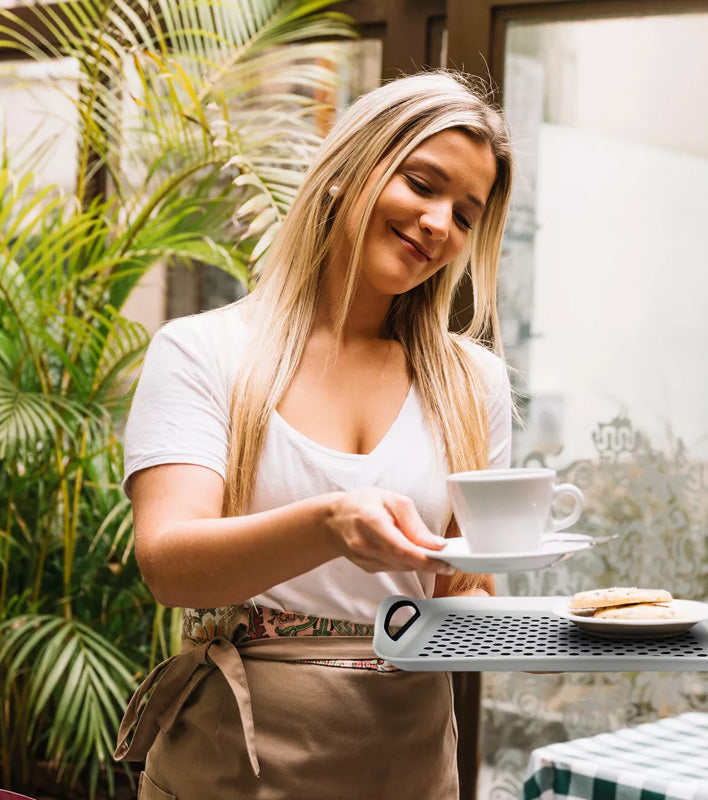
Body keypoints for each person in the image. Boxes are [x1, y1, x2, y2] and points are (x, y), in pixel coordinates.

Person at [114, 69, 514, 800]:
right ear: (346, 172)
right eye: (422, 185)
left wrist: (556, 636)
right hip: (235, 763)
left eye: (464, 215)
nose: (439, 224)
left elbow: (463, 590)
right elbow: (170, 565)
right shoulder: (205, 351)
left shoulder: (472, 382)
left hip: (411, 766)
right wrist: (331, 522)